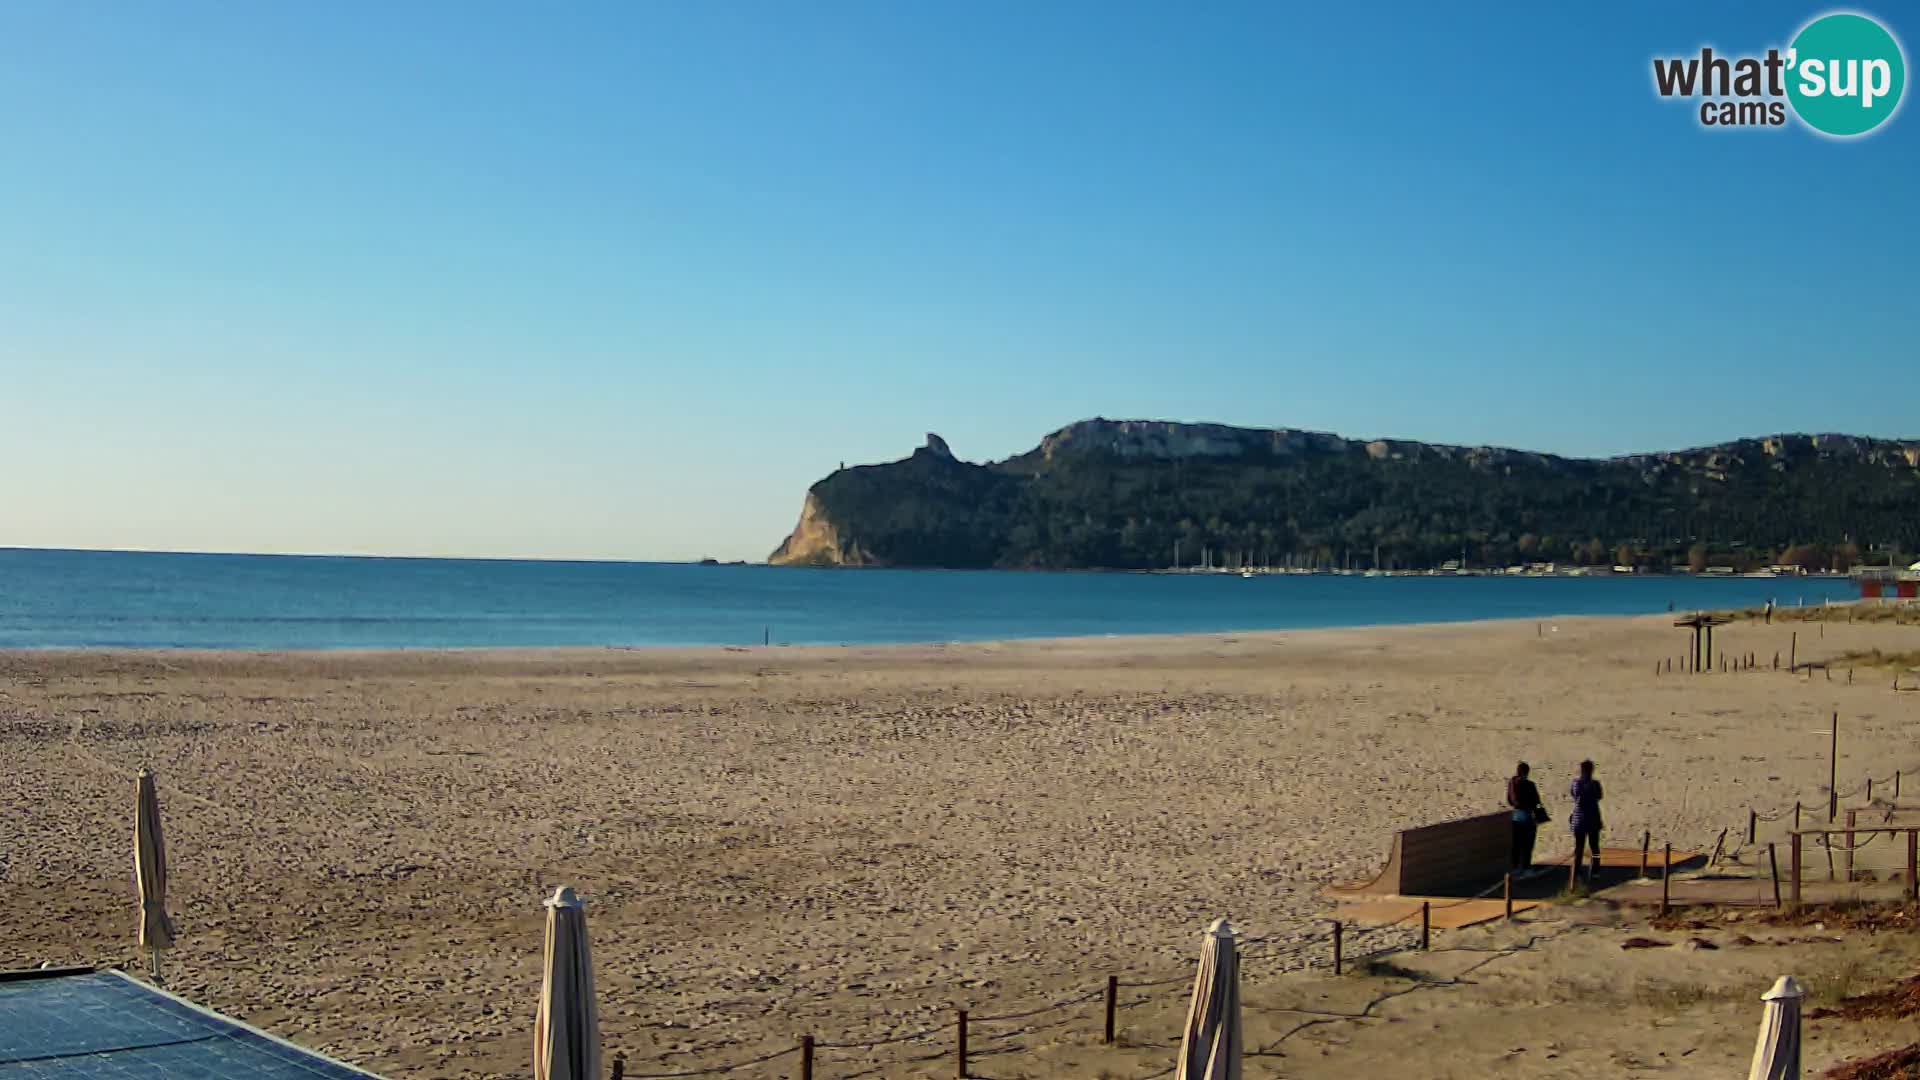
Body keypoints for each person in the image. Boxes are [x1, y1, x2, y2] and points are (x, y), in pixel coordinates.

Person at [1506, 762, 1545, 874]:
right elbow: (1536, 802)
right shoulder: (1530, 785)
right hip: (1527, 816)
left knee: (1516, 844)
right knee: (1527, 844)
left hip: (1516, 816)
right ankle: (1526, 867)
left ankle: (1515, 867)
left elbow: (1509, 800)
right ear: (1527, 772)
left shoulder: (1512, 783)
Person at [1569, 760, 1604, 880]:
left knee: (1579, 847)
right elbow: (1599, 796)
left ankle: (1577, 872)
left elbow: (1575, 795)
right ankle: (1595, 871)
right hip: (1593, 818)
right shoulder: (1595, 784)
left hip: (1579, 819)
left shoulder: (1576, 783)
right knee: (1594, 846)